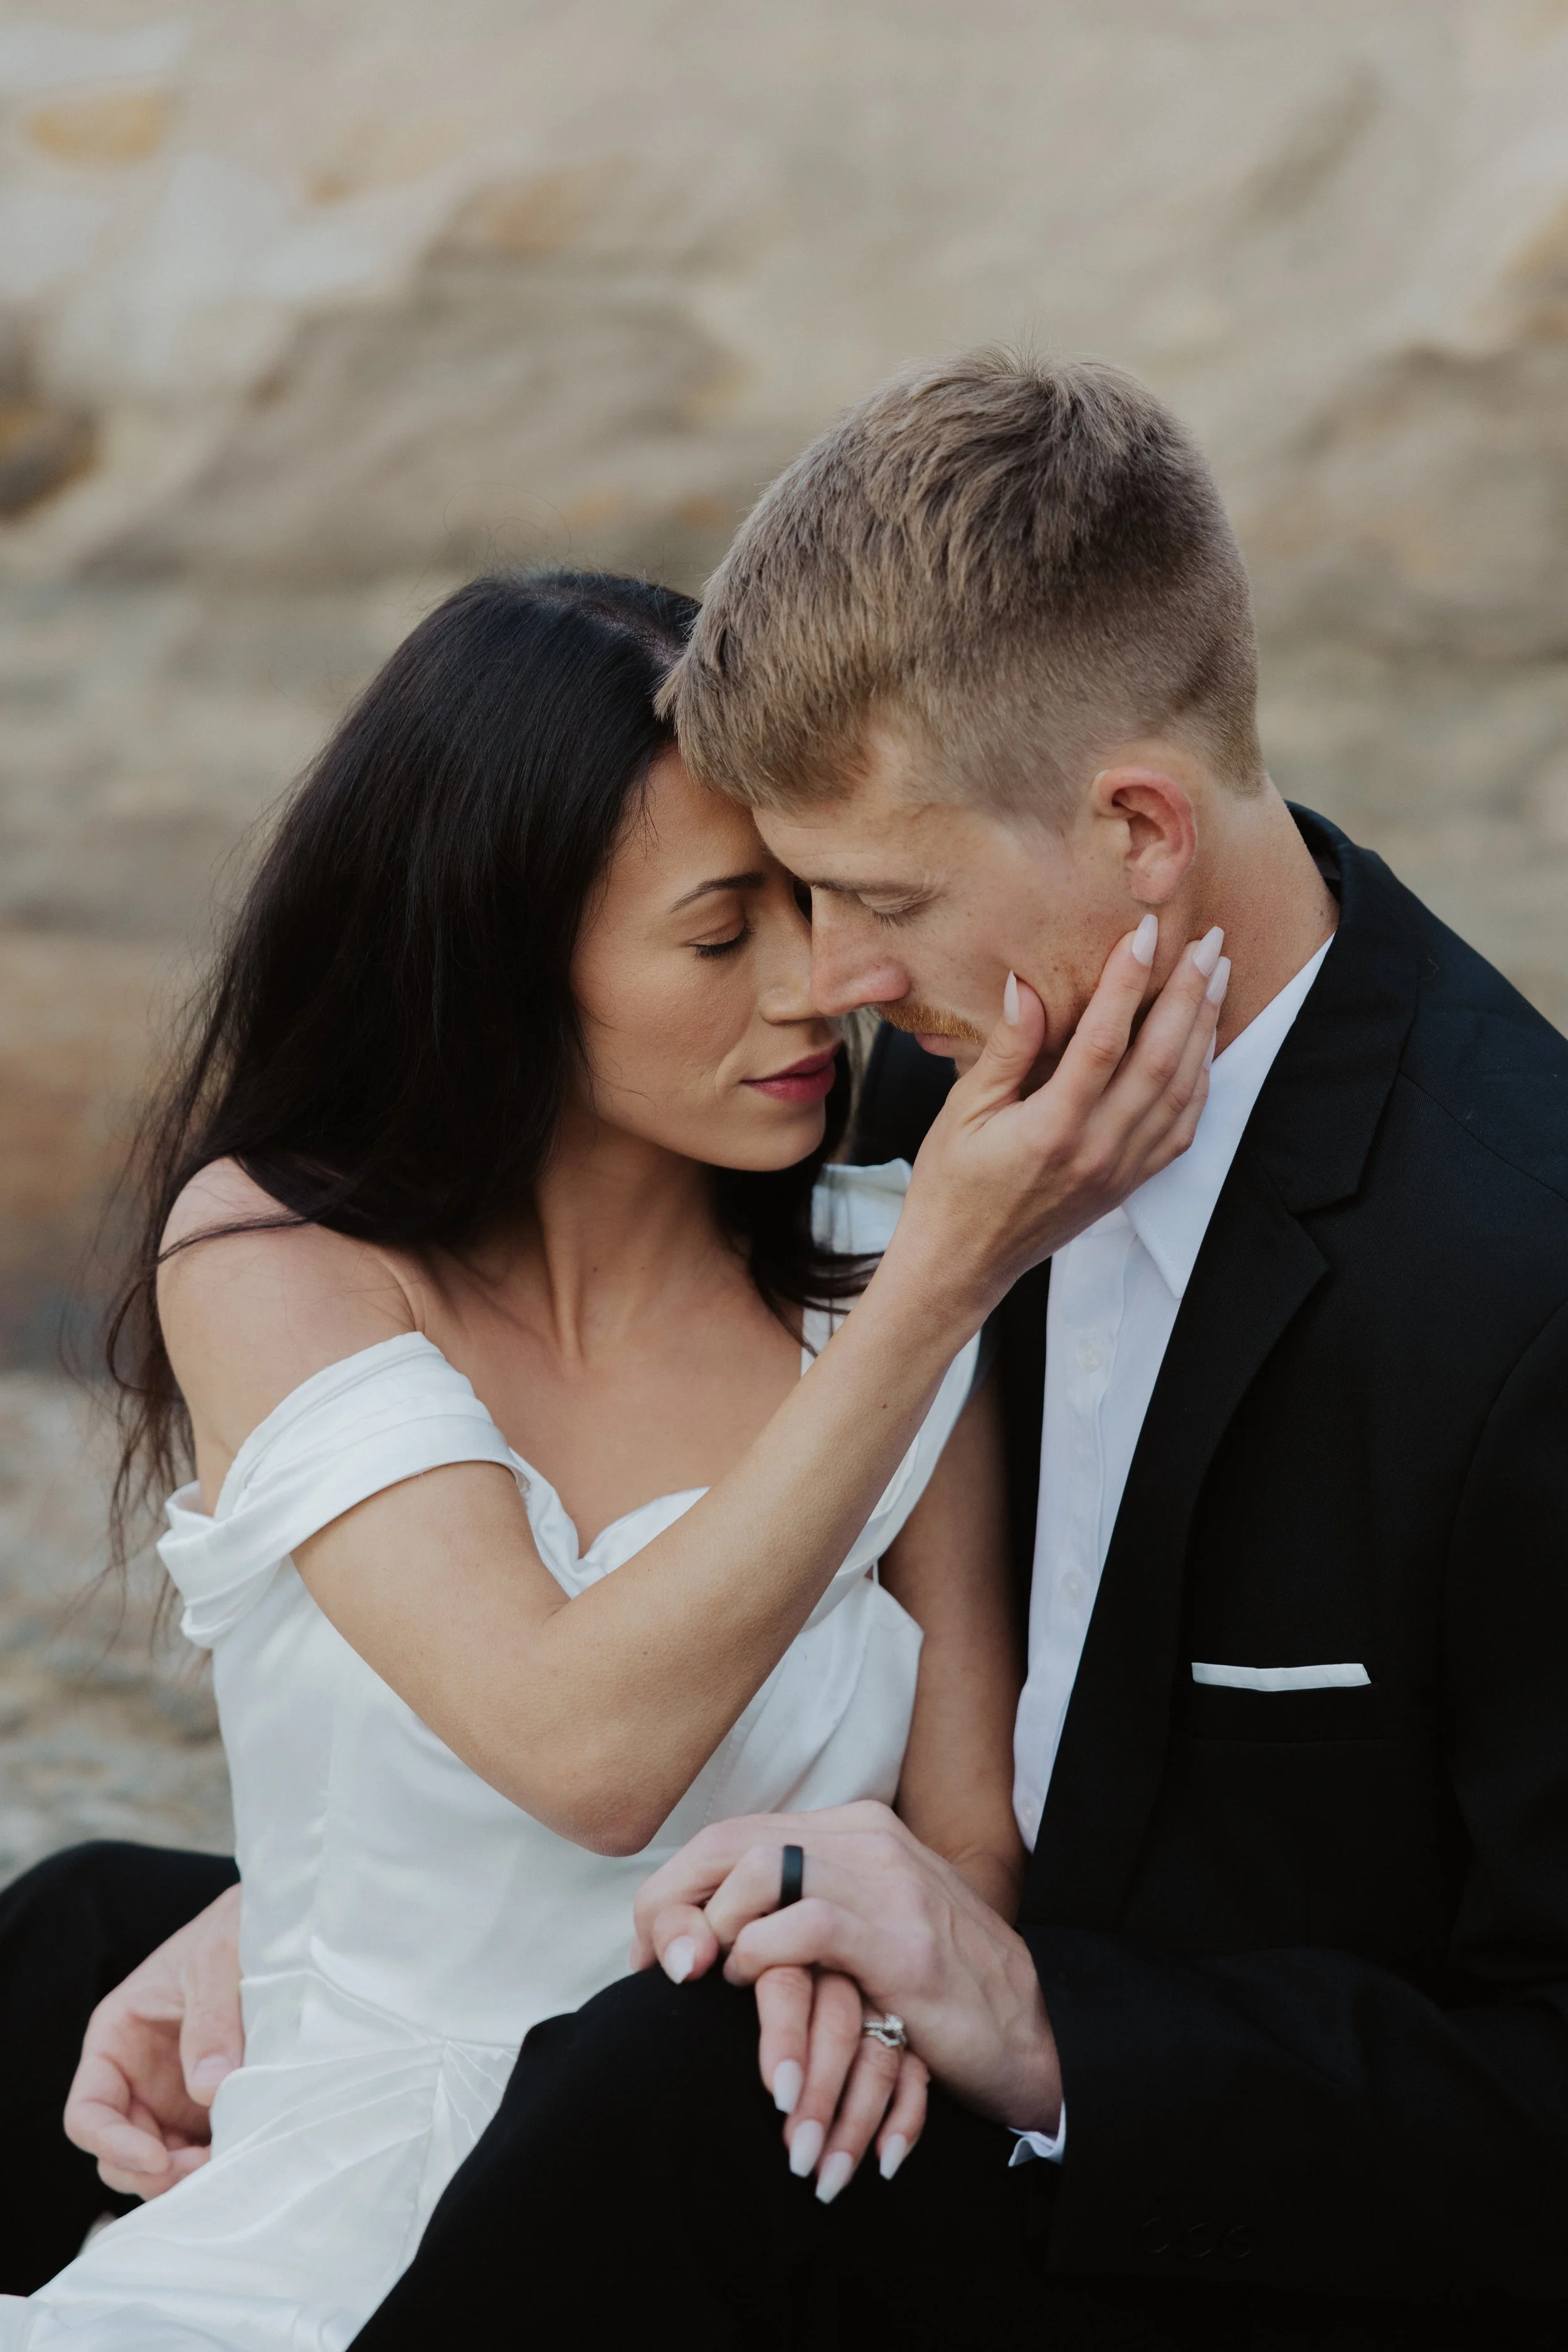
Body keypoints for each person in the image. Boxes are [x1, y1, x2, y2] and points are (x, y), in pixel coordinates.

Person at [0, 564, 1217, 2346]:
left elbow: (964, 1848)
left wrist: (862, 1988)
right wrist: (946, 1278)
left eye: (813, 902)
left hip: (708, 2190)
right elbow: (583, 1753)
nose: (816, 988)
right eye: (723, 933)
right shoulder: (276, 1258)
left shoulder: (894, 1272)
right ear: (497, 951)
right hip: (312, 2187)